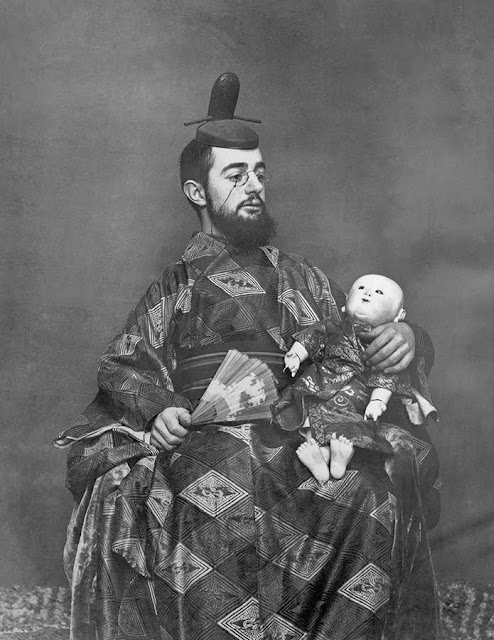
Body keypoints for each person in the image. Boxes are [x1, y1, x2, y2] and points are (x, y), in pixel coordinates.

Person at [55, 73, 444, 640]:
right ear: (198, 193)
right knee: (222, 476)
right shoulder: (176, 286)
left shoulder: (302, 277)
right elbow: (123, 364)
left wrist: (409, 339)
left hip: (301, 431)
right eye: (235, 176)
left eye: (260, 173)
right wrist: (161, 408)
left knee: (368, 491)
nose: (254, 185)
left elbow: (357, 337)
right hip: (209, 441)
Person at [272, 274, 437, 483]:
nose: (367, 293)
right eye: (361, 288)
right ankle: (320, 456)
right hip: (319, 382)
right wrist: (296, 355)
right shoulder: (332, 327)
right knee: (308, 412)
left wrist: (378, 401)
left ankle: (340, 455)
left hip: (356, 395)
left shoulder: (388, 342)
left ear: (399, 316)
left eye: (378, 292)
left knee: (349, 424)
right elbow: (311, 338)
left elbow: (385, 374)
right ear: (345, 304)